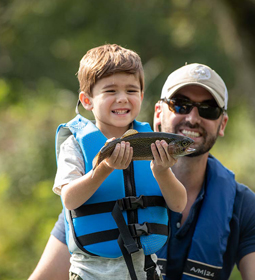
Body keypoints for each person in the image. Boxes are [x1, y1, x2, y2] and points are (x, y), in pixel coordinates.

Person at [28, 63, 255, 280]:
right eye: (180, 105)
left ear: (222, 123)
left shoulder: (247, 210)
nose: (192, 118)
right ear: (158, 113)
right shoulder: (99, 191)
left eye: (208, 109)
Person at [48, 43, 188, 280]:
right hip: (90, 273)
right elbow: (69, 200)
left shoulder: (153, 140)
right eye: (111, 91)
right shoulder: (73, 144)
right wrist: (103, 169)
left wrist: (163, 172)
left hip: (147, 272)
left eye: (131, 91)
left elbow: (178, 205)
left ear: (141, 96)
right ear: (87, 100)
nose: (122, 98)